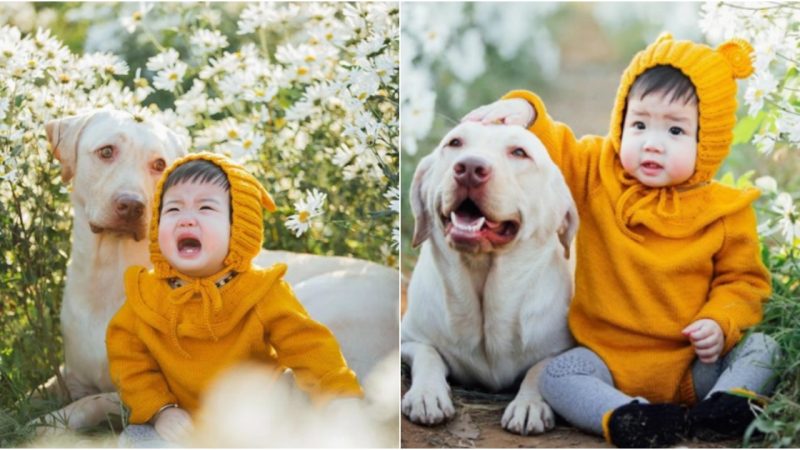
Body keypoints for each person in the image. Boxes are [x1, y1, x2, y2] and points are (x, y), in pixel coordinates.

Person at [464, 33, 779, 448]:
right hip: (607, 361)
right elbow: (554, 147)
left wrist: (720, 323)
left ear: (709, 141)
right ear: (621, 121)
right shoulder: (597, 171)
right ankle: (631, 417)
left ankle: (726, 406)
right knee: (557, 377)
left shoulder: (726, 212)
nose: (652, 142)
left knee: (763, 347)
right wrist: (526, 111)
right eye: (640, 123)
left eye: (676, 131)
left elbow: (744, 283)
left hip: (692, 365)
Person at [106, 152, 362, 445]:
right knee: (136, 440)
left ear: (238, 226)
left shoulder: (261, 291)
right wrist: (160, 410)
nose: (187, 220)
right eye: (173, 209)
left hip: (258, 413)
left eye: (205, 208)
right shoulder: (146, 295)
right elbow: (129, 361)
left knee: (298, 415)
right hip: (182, 418)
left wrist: (339, 397)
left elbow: (310, 347)